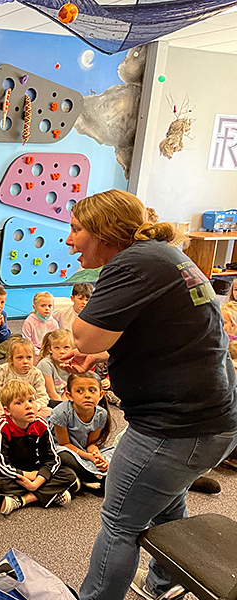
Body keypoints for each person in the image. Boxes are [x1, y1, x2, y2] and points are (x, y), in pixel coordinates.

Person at [59, 190, 237, 600]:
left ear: (105, 232)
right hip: (213, 419)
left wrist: (91, 346)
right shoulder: (161, 255)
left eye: (76, 229)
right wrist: (106, 355)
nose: (69, 240)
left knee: (120, 524)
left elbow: (83, 335)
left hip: (176, 427)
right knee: (164, 500)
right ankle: (165, 584)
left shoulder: (131, 263)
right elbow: (171, 336)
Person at [0, 380, 77, 516]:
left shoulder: (41, 424)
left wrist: (37, 481)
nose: (28, 406)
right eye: (19, 403)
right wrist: (27, 476)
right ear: (7, 410)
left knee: (69, 475)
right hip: (11, 473)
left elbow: (52, 459)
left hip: (33, 469)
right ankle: (50, 494)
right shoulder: (1, 426)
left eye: (31, 400)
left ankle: (24, 500)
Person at [48, 371, 114, 490]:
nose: (87, 395)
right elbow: (64, 444)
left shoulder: (101, 414)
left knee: (114, 453)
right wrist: (88, 457)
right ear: (69, 396)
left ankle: (88, 475)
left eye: (92, 390)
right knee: (63, 456)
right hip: (62, 447)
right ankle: (90, 478)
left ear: (100, 394)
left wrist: (96, 454)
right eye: (79, 391)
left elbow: (91, 443)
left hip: (82, 449)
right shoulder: (61, 413)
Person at [0, 338, 50, 418]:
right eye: (20, 358)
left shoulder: (36, 373)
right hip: (8, 408)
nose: (25, 361)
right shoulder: (3, 370)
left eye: (29, 357)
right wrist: (7, 410)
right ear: (11, 359)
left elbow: (43, 396)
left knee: (49, 412)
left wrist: (34, 407)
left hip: (30, 407)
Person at [36, 329, 74, 402]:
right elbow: (50, 393)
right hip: (46, 399)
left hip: (62, 398)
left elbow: (67, 390)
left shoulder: (71, 363)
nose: (62, 351)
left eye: (66, 347)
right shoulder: (45, 364)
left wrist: (64, 404)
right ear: (50, 349)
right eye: (57, 348)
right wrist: (62, 407)